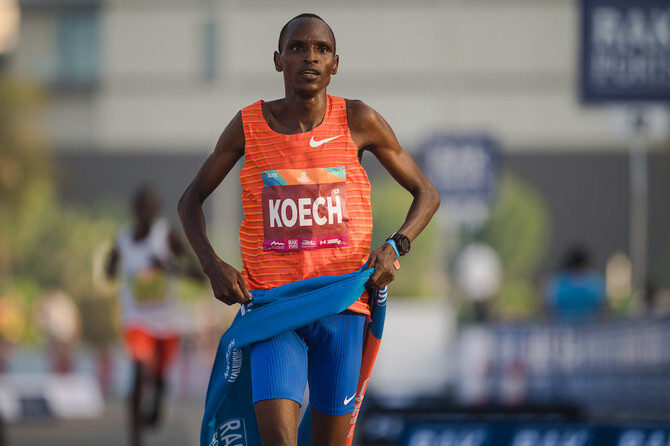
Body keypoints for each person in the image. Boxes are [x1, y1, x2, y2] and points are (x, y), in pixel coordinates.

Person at [178, 13, 440, 446]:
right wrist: (213, 265)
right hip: (275, 308)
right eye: (297, 48)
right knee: (278, 439)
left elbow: (426, 193)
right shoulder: (248, 125)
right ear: (278, 60)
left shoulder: (358, 120)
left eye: (321, 49)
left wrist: (395, 246)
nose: (310, 57)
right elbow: (190, 201)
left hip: (342, 305)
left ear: (335, 63)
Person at [106, 185, 203, 446]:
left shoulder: (166, 236)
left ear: (157, 211)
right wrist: (113, 267)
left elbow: (199, 275)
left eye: (150, 210)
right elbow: (109, 269)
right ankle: (135, 438)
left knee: (159, 378)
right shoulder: (123, 240)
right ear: (134, 211)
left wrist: (169, 267)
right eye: (141, 209)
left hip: (167, 322)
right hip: (136, 319)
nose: (146, 215)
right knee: (138, 371)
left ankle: (158, 400)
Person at [544, 244, 606, 323]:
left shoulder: (594, 280)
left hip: (590, 326)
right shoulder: (559, 281)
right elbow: (550, 308)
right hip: (563, 326)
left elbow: (601, 308)